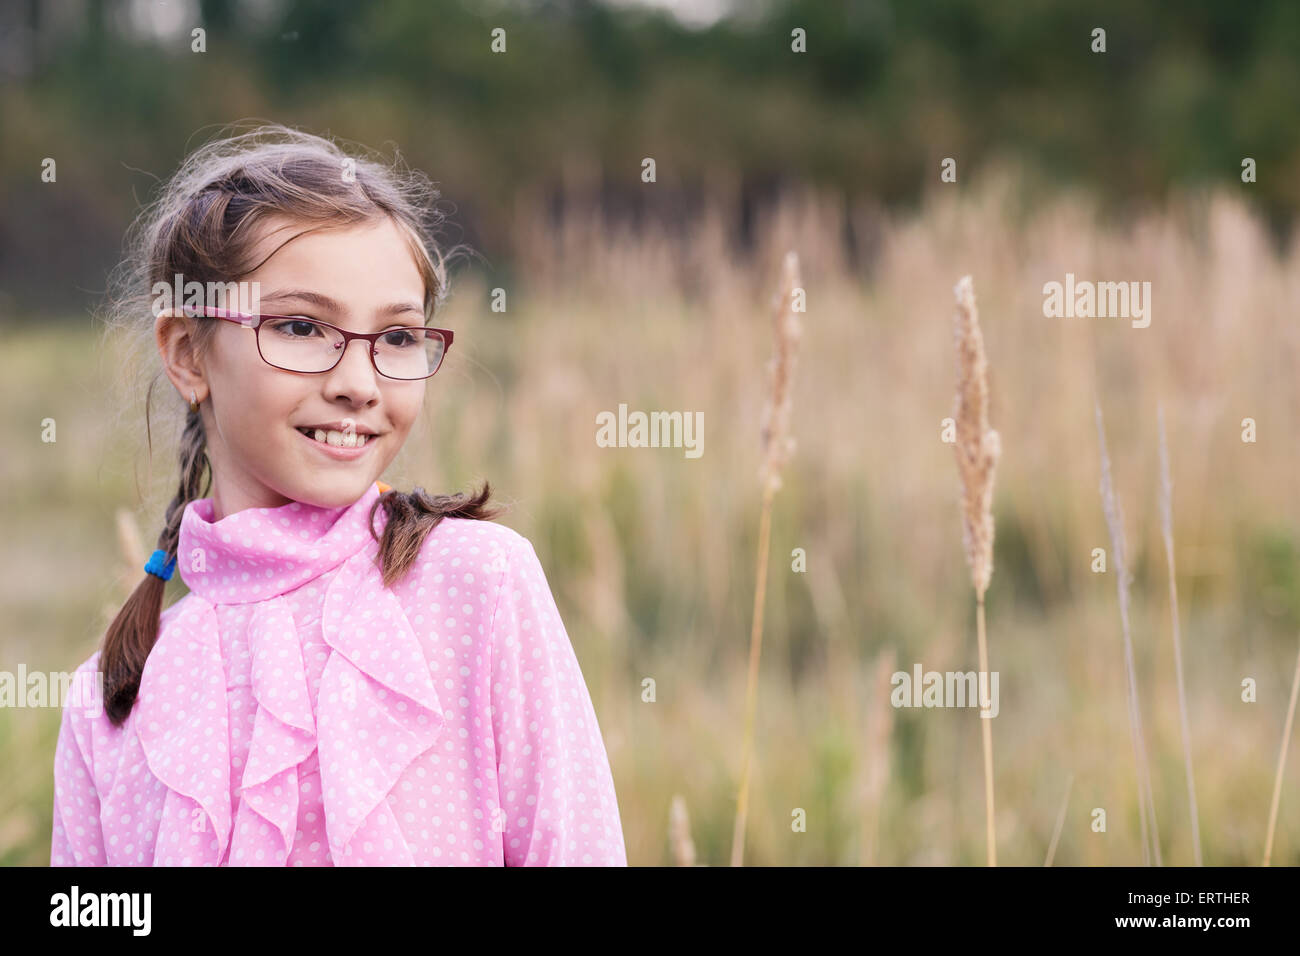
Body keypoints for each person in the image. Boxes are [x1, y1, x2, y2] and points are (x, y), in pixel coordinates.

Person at [50, 124, 627, 866]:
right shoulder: (108, 702)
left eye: (395, 338)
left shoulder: (478, 584)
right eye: (300, 327)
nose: (358, 383)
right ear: (189, 355)